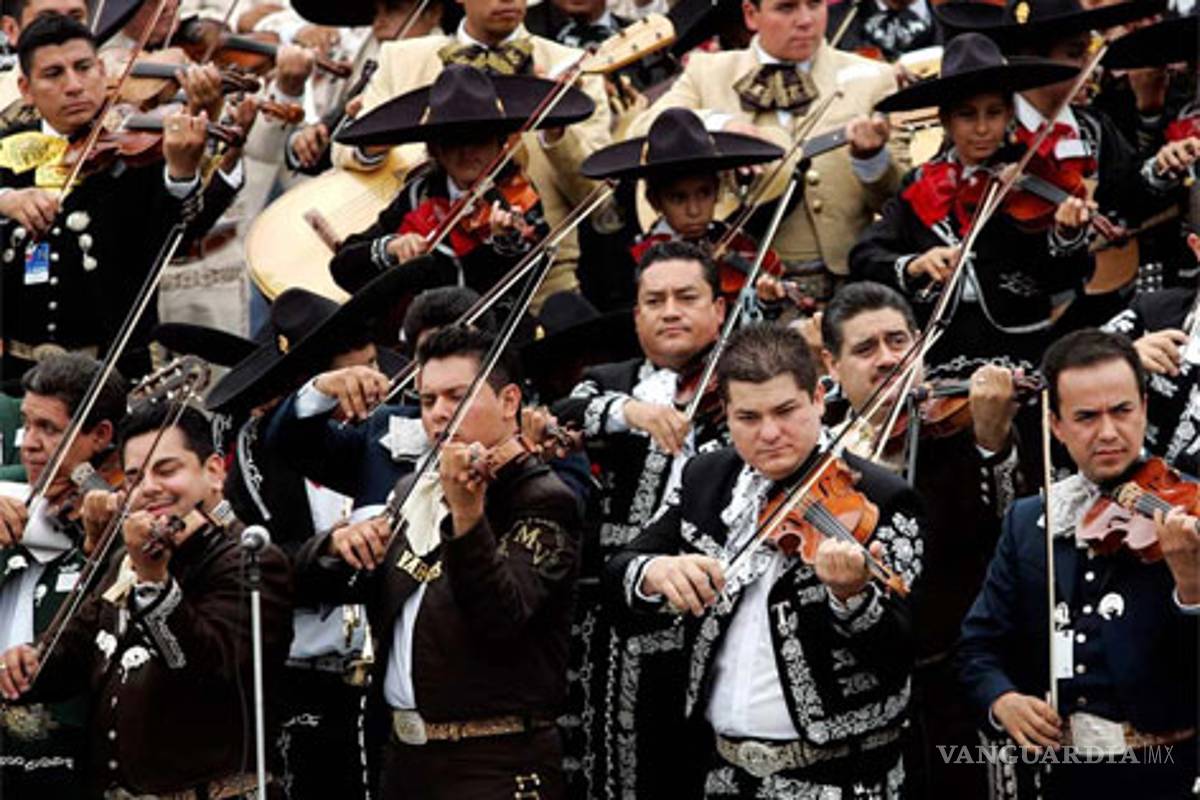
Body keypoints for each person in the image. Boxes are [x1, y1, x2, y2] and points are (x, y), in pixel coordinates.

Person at [605, 322, 926, 797]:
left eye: (786, 411)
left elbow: (900, 651)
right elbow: (620, 569)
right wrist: (655, 571)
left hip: (845, 779)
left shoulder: (881, 497)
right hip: (725, 775)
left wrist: (851, 596)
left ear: (818, 398)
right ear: (727, 415)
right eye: (748, 418)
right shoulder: (708, 480)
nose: (770, 434)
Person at [294, 325, 581, 797]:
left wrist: (468, 515)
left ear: (509, 402)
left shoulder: (541, 498)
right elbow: (329, 587)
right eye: (428, 401)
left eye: (457, 397)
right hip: (407, 761)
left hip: (495, 761)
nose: (440, 414)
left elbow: (500, 617)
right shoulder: (411, 489)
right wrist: (335, 547)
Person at [0, 403, 294, 798]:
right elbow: (76, 647)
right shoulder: (128, 558)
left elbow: (210, 667)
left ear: (213, 472)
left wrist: (155, 580)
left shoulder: (249, 559)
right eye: (135, 478)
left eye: (167, 470)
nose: (150, 488)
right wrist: (29, 662)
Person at [958, 328, 1199, 800]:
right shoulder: (1030, 520)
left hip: (1168, 775)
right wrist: (1002, 700)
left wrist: (1192, 586)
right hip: (1060, 778)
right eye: (1086, 417)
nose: (1108, 432)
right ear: (1055, 425)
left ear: (1145, 408)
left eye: (1122, 411)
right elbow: (977, 648)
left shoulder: (1189, 510)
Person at [820, 281, 1036, 798]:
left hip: (954, 680)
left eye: (899, 343)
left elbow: (1008, 536)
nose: (888, 360)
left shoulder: (960, 428)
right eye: (865, 349)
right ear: (831, 366)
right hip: (856, 694)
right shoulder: (821, 446)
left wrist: (990, 442)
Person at [551, 239, 730, 796]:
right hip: (624, 606)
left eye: (686, 297)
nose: (670, 310)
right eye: (655, 300)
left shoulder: (743, 378)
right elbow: (566, 414)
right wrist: (633, 412)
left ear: (718, 310)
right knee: (625, 760)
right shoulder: (611, 380)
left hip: (722, 596)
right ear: (637, 315)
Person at [329, 0, 612, 307]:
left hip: (543, 286)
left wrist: (556, 129)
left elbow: (601, 204)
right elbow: (345, 149)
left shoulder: (574, 66)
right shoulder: (401, 57)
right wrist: (395, 139)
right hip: (423, 287)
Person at [627, 0, 903, 303]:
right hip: (738, 281)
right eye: (786, 8)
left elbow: (897, 202)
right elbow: (641, 132)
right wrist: (720, 124)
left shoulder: (872, 77)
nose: (805, 20)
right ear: (750, 14)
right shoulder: (708, 72)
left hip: (846, 281)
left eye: (815, 4)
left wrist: (871, 160)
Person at [849, 32, 1090, 373]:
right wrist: (915, 264)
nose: (981, 128)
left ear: (1009, 114)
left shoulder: (1037, 178)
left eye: (993, 113)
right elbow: (864, 256)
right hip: (939, 351)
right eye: (967, 115)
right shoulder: (920, 184)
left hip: (1021, 348)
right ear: (945, 120)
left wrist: (1067, 236)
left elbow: (1066, 276)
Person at [0, 14, 209, 381]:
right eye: (54, 74)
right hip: (15, 374)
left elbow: (177, 238)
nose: (75, 85)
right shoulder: (7, 149)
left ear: (103, 70)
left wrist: (182, 173)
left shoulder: (141, 152)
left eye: (84, 68)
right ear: (25, 88)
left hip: (115, 375)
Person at [328, 64, 591, 297]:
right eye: (453, 140)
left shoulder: (518, 197)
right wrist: (392, 248)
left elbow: (523, 279)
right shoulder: (419, 192)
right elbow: (343, 266)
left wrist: (502, 242)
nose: (467, 152)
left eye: (478, 139)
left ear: (499, 144)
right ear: (436, 148)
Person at [0, 352, 126, 795]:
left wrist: (98, 544)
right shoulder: (8, 485)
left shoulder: (120, 508)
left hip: (74, 742)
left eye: (48, 429)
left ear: (102, 436)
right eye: (27, 424)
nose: (28, 443)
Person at [579, 106, 786, 311]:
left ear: (717, 191)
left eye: (704, 193)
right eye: (678, 198)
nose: (694, 210)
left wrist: (767, 304)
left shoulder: (738, 242)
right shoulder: (634, 260)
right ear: (654, 201)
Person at [1102, 224, 1200, 474]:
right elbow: (1063, 372)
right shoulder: (1153, 311)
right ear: (1197, 248)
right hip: (1118, 491)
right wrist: (1122, 361)